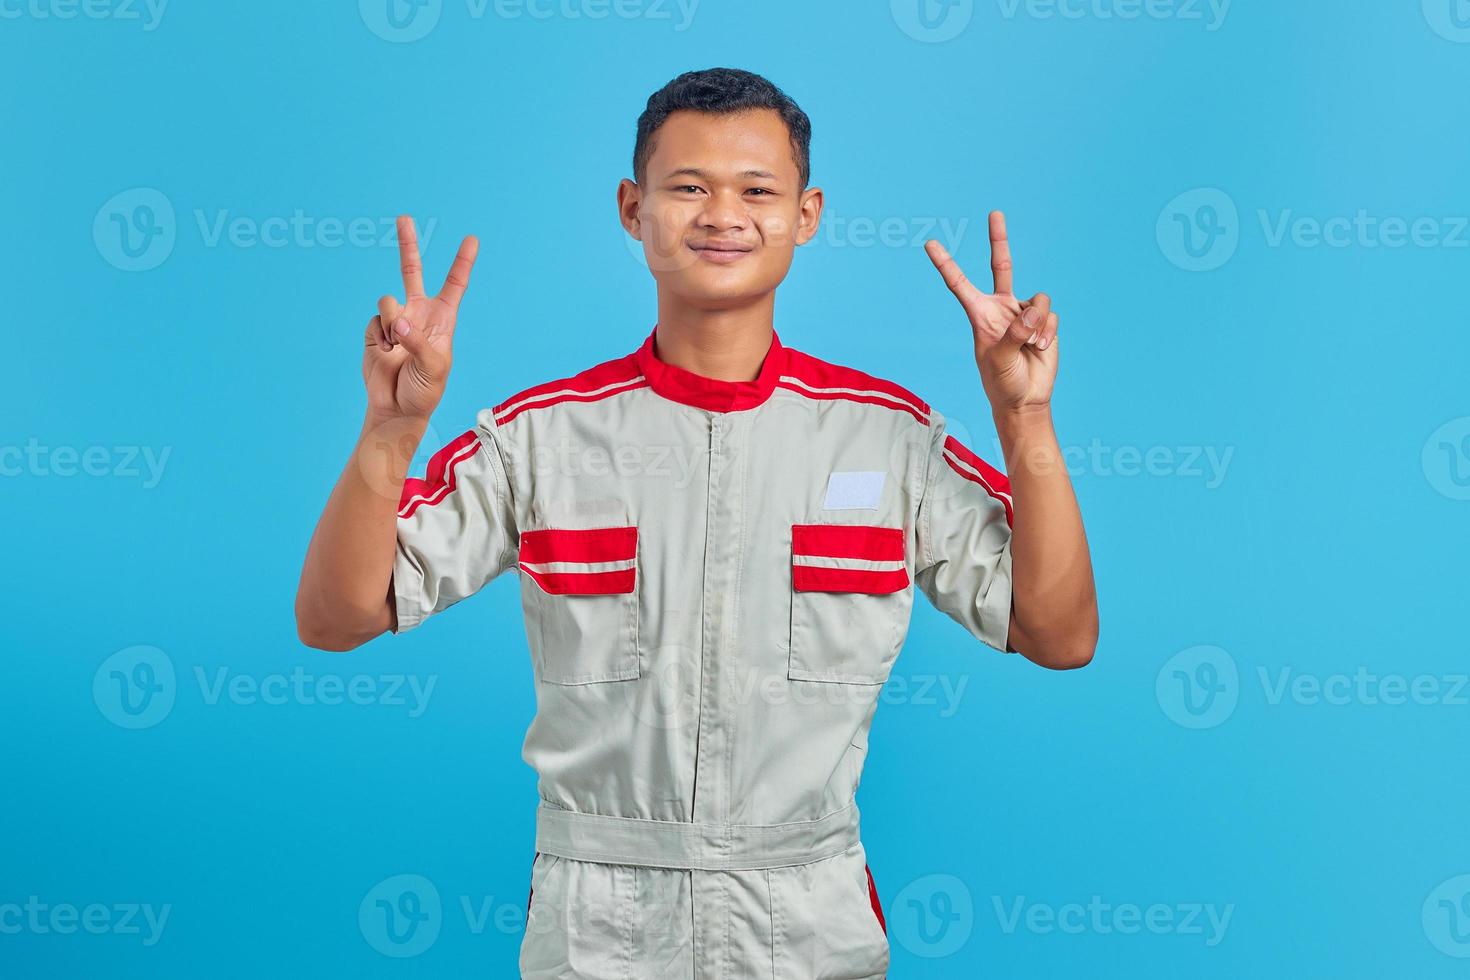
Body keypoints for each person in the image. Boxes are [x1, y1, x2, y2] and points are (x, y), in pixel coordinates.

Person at [295, 66, 1098, 979]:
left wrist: (1023, 418)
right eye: (688, 188)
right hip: (598, 931)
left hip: (809, 923)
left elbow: (1060, 634)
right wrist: (391, 429)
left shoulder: (891, 438)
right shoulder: (538, 438)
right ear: (633, 209)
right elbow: (335, 618)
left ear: (808, 213)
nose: (723, 214)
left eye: (758, 189)